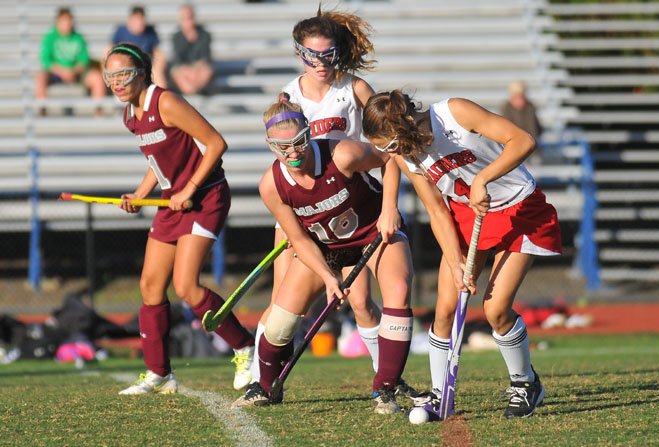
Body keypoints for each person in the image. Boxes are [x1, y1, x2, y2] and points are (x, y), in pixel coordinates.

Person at [362, 90, 562, 418]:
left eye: (388, 146)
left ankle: (526, 384)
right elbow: (437, 210)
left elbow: (523, 140)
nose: (389, 154)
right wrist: (455, 261)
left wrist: (484, 178)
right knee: (444, 310)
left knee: (496, 309)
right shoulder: (405, 156)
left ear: (402, 128)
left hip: (518, 209)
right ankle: (441, 394)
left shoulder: (454, 113)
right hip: (466, 217)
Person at [248, 7, 408, 395]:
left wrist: (389, 205)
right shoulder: (289, 94)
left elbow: (387, 147)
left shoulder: (353, 89)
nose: (320, 62)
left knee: (360, 302)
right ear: (299, 53)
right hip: (304, 208)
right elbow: (285, 149)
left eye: (327, 54)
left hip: (350, 198)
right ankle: (259, 378)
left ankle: (387, 378)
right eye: (311, 55)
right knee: (283, 303)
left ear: (338, 53)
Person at [233, 97, 414, 415]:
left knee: (397, 293)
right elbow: (300, 239)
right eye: (282, 147)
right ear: (269, 144)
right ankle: (266, 387)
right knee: (277, 326)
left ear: (309, 132)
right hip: (325, 249)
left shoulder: (342, 153)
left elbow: (389, 157)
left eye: (300, 142)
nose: (293, 153)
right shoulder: (271, 186)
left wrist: (389, 209)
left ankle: (385, 389)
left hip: (374, 234)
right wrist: (330, 277)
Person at [103, 43, 255, 394]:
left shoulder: (165, 102)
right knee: (150, 286)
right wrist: (141, 194)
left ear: (142, 72)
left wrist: (189, 189)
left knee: (187, 286)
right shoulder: (130, 115)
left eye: (124, 74)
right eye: (110, 76)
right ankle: (160, 374)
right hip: (172, 202)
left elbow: (216, 143)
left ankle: (245, 347)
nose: (117, 82)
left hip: (205, 196)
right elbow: (158, 162)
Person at [35, 7, 106, 116]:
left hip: (76, 73)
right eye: (64, 21)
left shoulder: (78, 38)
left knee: (97, 78)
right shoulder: (50, 38)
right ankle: (42, 111)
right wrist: (62, 71)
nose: (67, 24)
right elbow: (46, 60)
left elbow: (84, 60)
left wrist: (73, 71)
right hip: (56, 74)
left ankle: (98, 112)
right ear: (58, 22)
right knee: (40, 78)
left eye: (69, 21)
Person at [109, 5, 168, 88]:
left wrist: (158, 65)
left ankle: (161, 97)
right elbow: (109, 49)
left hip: (145, 66)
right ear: (130, 20)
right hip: (124, 66)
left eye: (141, 19)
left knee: (157, 71)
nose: (140, 23)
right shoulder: (121, 31)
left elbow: (158, 51)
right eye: (137, 20)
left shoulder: (150, 32)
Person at [169, 4, 214, 95]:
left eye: (189, 17)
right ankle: (194, 91)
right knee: (178, 73)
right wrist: (189, 70)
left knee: (206, 71)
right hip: (184, 71)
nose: (187, 20)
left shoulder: (204, 35)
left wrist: (195, 69)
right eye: (184, 18)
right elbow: (178, 60)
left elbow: (205, 57)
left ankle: (193, 91)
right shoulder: (176, 37)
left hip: (198, 71)